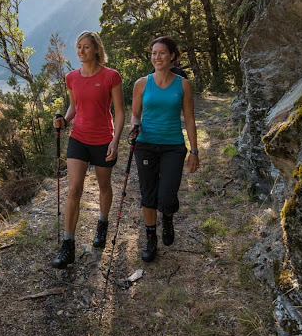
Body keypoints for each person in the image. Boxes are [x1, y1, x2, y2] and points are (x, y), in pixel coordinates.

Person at [51, 31, 125, 269]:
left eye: (86, 47)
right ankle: (67, 245)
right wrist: (65, 119)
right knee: (74, 189)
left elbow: (120, 112)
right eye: (78, 47)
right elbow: (73, 106)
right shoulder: (71, 77)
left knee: (104, 186)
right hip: (78, 139)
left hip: (103, 140)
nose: (81, 51)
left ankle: (102, 224)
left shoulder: (111, 76)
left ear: (96, 49)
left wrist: (115, 140)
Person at [130, 36, 198, 262]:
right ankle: (151, 238)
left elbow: (189, 118)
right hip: (146, 145)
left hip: (173, 147)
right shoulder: (141, 83)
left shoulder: (183, 84)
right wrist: (135, 127)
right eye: (153, 53)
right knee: (148, 195)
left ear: (172, 56)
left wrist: (194, 151)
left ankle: (167, 218)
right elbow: (135, 114)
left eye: (161, 53)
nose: (156, 57)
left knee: (167, 196)